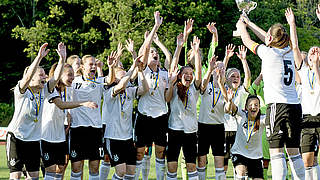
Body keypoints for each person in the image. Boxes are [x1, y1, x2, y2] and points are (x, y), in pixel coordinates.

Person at [237, 8, 305, 179]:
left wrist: (241, 26)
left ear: (270, 39)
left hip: (277, 106)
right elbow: (270, 38)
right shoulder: (289, 51)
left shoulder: (267, 53)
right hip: (295, 106)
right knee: (294, 152)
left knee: (276, 154)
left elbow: (247, 41)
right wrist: (250, 23)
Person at [6, 42, 65, 179]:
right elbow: (26, 77)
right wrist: (38, 58)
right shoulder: (21, 91)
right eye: (41, 75)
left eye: (45, 75)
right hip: (17, 137)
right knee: (16, 176)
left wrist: (62, 59)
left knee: (34, 177)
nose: (45, 77)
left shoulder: (43, 91)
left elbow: (55, 78)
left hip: (33, 140)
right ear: (31, 78)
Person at [41, 62, 98, 180]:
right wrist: (83, 103)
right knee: (51, 170)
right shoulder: (50, 88)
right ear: (59, 75)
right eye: (69, 75)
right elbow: (61, 105)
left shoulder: (67, 90)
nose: (72, 78)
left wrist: (67, 117)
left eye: (73, 75)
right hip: (46, 135)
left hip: (60, 136)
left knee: (61, 168)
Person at [68, 51, 117, 180]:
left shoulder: (99, 81)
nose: (94, 67)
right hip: (77, 128)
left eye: (95, 64)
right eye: (91, 64)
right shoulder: (74, 82)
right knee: (76, 167)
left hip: (95, 129)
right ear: (82, 67)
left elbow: (110, 80)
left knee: (94, 167)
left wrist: (111, 67)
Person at [286, 8, 320, 179]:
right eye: (312, 51)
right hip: (306, 118)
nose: (314, 52)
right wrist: (292, 24)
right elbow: (295, 47)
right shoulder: (304, 71)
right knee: (307, 160)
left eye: (317, 51)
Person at [134, 11, 169, 180]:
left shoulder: (164, 73)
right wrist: (156, 26)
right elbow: (146, 48)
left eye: (157, 54)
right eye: (152, 54)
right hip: (144, 115)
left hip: (161, 116)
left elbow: (170, 56)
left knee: (160, 151)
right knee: (140, 152)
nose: (155, 55)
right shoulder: (144, 70)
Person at [105, 56, 149, 180]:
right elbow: (121, 85)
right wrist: (133, 67)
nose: (127, 79)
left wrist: (140, 72)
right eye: (122, 76)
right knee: (120, 171)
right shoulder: (110, 91)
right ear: (115, 80)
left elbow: (145, 89)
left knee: (131, 172)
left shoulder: (130, 91)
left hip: (127, 138)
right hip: (114, 138)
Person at [165, 36, 202, 180]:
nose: (189, 76)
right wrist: (179, 46)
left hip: (191, 132)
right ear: (179, 75)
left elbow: (199, 72)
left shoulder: (195, 87)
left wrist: (196, 52)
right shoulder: (174, 87)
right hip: (174, 129)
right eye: (185, 73)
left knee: (192, 166)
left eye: (190, 74)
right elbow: (167, 99)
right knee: (172, 166)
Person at [223, 89, 265, 180]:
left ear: (259, 107)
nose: (253, 107)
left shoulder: (262, 119)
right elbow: (232, 108)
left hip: (256, 156)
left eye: (256, 105)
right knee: (241, 172)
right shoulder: (241, 115)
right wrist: (230, 100)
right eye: (250, 105)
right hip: (239, 152)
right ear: (246, 107)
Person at [197, 55, 226, 180]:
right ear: (213, 70)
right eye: (217, 68)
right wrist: (209, 69)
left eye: (223, 68)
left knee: (219, 161)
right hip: (203, 126)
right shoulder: (207, 85)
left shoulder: (227, 89)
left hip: (218, 128)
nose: (220, 70)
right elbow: (201, 86)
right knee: (201, 160)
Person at [223, 45, 251, 175]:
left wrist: (244, 60)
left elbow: (248, 78)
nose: (235, 78)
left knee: (240, 165)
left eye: (237, 76)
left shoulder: (242, 91)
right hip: (224, 130)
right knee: (222, 164)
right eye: (232, 76)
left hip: (239, 131)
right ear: (227, 79)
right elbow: (220, 74)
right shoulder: (223, 89)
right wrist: (226, 58)